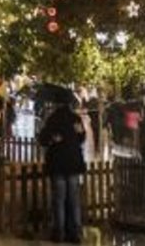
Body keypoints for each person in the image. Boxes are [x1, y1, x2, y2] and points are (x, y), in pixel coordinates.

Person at [37, 102, 86, 243]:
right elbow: (82, 137)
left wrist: (53, 139)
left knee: (59, 199)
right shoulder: (75, 118)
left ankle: (59, 232)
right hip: (73, 163)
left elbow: (43, 139)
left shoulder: (53, 119)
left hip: (57, 164)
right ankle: (75, 232)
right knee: (74, 199)